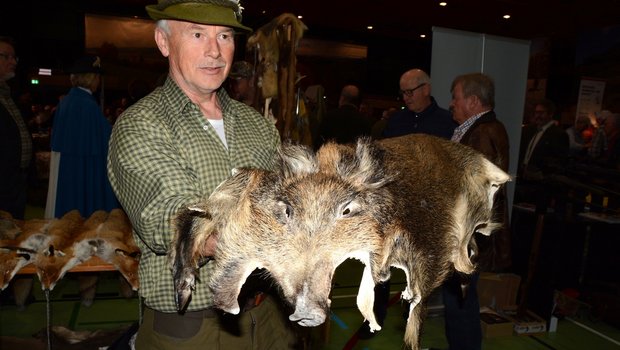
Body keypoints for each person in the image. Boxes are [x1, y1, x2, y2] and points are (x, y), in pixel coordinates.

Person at [107, 1, 299, 349]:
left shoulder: (256, 125)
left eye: (224, 36)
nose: (214, 50)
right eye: (197, 34)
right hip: (196, 327)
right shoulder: (142, 125)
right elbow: (170, 217)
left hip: (267, 317)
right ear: (164, 43)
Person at [447, 72, 511, 350]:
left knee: (460, 301)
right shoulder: (475, 129)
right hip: (467, 233)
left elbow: (477, 190)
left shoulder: (483, 132)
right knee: (460, 301)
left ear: (473, 101)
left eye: (456, 97)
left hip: (468, 236)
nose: (452, 103)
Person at [44, 54, 119, 219]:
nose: (98, 81)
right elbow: (108, 138)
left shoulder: (67, 101)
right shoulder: (87, 105)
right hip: (83, 164)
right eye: (97, 77)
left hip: (67, 165)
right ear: (91, 78)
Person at [0, 36, 33, 220]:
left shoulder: (8, 94)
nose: (13, 62)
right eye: (7, 56)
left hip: (16, 182)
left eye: (14, 57)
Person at [382, 68, 457, 139]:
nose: (405, 98)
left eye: (409, 92)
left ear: (426, 90)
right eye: (403, 93)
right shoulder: (395, 120)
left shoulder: (448, 122)